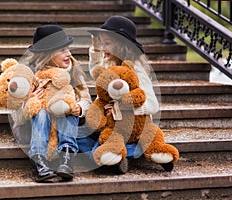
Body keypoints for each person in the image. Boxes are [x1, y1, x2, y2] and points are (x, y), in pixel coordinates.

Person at [77, 15, 160, 161]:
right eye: (102, 44)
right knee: (76, 137)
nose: (103, 48)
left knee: (97, 150)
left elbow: (153, 105)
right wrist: (95, 49)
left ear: (122, 44)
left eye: (107, 44)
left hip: (132, 127)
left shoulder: (136, 69)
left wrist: (121, 107)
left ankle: (130, 152)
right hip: (110, 125)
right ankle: (117, 154)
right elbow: (97, 73)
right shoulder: (110, 63)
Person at [25, 24, 92, 182]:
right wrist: (30, 99)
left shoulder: (73, 70)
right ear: (47, 54)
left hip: (64, 121)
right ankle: (39, 160)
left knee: (67, 109)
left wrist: (80, 108)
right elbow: (15, 108)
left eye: (68, 49)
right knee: (41, 112)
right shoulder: (32, 74)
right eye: (62, 50)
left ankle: (66, 158)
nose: (68, 54)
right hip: (41, 124)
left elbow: (86, 98)